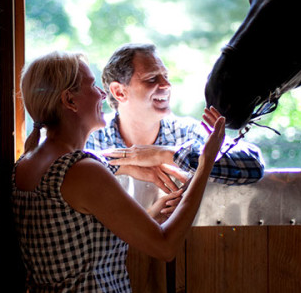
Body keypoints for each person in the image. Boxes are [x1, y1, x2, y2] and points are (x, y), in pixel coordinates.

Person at [13, 51, 225, 293]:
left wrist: (146, 206)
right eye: (93, 85)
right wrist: (206, 162)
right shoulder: (82, 171)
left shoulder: (28, 163)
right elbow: (166, 246)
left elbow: (82, 244)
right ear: (69, 100)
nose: (102, 94)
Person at [85, 43, 263, 197]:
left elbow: (253, 164)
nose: (166, 85)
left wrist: (168, 154)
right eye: (152, 78)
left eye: (166, 76)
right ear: (119, 92)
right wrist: (123, 166)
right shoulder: (91, 137)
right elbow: (61, 168)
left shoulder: (188, 133)